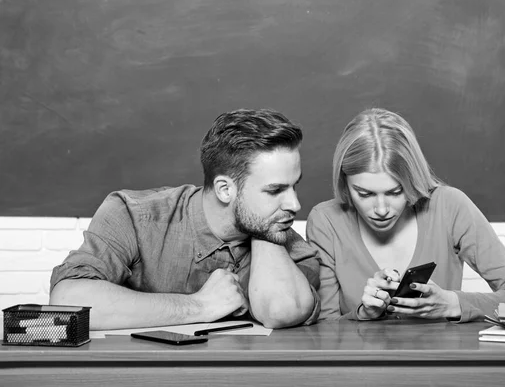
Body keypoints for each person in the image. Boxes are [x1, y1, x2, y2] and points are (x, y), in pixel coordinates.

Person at [50, 109, 320, 330]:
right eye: (275, 190)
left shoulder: (289, 244)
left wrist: (265, 229)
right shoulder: (134, 216)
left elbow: (281, 313)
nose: (295, 204)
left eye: (294, 186)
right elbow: (68, 302)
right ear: (226, 190)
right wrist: (198, 306)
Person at [306, 108, 505, 322]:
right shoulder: (326, 221)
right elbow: (325, 331)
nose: (381, 209)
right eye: (364, 194)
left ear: (413, 179)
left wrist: (452, 304)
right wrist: (363, 314)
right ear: (345, 183)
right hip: (362, 371)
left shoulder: (449, 207)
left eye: (395, 191)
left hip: (439, 367)